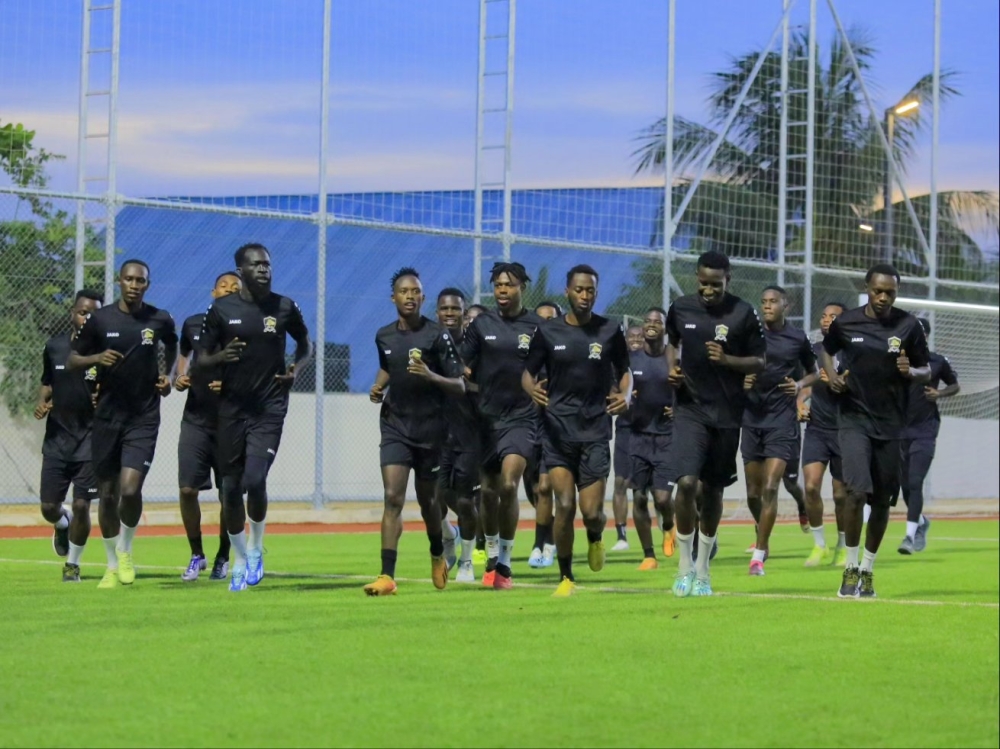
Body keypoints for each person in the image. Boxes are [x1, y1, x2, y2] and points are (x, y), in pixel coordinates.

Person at [197, 243, 312, 593]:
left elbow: (305, 343)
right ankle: (240, 558)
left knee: (254, 479)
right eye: (256, 264)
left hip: (269, 408)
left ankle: (257, 546)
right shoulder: (220, 309)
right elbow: (201, 357)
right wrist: (219, 357)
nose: (264, 269)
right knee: (230, 489)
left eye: (267, 264)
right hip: (231, 409)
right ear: (240, 270)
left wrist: (297, 368)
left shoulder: (284, 306)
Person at [822, 263, 930, 598]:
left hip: (891, 424)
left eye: (890, 292)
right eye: (877, 291)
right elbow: (826, 350)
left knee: (882, 501)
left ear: (896, 292)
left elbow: (926, 369)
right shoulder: (847, 321)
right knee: (856, 492)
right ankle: (850, 568)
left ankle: (868, 569)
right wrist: (834, 376)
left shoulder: (909, 326)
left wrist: (911, 370)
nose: (883, 297)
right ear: (867, 288)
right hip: (853, 418)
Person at [523, 264, 631, 597]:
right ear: (567, 291)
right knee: (565, 504)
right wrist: (532, 390)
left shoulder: (610, 330)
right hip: (557, 432)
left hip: (595, 431)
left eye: (590, 290)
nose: (585, 296)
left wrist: (625, 396)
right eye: (579, 290)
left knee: (592, 513)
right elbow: (527, 373)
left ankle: (596, 536)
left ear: (596, 293)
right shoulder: (549, 331)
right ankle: (566, 577)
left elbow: (626, 371)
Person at [69, 260, 177, 589]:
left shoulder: (159, 318)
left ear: (148, 284)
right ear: (119, 281)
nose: (134, 284)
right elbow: (73, 359)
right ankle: (111, 565)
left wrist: (167, 375)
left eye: (140, 280)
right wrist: (96, 359)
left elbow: (172, 344)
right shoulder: (101, 320)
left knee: (129, 490)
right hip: (106, 417)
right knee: (107, 493)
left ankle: (126, 549)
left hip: (143, 416)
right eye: (129, 279)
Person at [665, 251, 765, 597]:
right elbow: (672, 344)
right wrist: (672, 369)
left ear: (728, 280)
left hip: (727, 414)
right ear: (697, 279)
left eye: (716, 285)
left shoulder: (743, 312)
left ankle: (704, 569)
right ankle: (684, 566)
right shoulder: (680, 308)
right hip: (690, 409)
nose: (709, 290)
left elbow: (760, 361)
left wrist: (728, 359)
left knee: (712, 491)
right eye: (703, 283)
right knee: (687, 483)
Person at [365, 267, 465, 596]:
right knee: (393, 497)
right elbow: (387, 365)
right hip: (395, 425)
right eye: (403, 291)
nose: (410, 296)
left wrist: (430, 375)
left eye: (415, 291)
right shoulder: (384, 335)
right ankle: (386, 575)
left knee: (429, 505)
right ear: (393, 297)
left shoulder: (437, 336)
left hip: (432, 431)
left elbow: (459, 384)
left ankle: (437, 552)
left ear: (423, 298)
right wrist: (379, 386)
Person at [459, 262, 543, 589]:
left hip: (522, 418)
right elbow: (462, 364)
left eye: (509, 284)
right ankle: (492, 551)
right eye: (497, 285)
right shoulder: (481, 325)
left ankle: (505, 563)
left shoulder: (538, 326)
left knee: (509, 485)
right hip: (486, 419)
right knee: (489, 492)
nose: (503, 291)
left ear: (522, 286)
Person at [741, 286, 818, 575]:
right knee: (752, 493)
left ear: (786, 305)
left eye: (773, 301)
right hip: (751, 418)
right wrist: (742, 382)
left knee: (772, 487)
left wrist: (799, 385)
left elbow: (814, 372)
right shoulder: (750, 334)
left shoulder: (797, 338)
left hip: (781, 421)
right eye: (764, 301)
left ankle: (759, 555)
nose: (767, 306)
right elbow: (733, 368)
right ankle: (762, 531)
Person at [174, 271, 242, 582]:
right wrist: (181, 375)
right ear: (213, 292)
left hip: (231, 422)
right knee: (188, 489)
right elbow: (184, 352)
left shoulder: (247, 329)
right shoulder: (192, 323)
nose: (229, 290)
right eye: (224, 286)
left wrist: (231, 385)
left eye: (236, 288)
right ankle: (196, 554)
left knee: (229, 494)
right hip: (196, 420)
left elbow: (259, 371)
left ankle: (223, 555)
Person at [35, 289, 103, 582]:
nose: (87, 317)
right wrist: (42, 402)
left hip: (90, 441)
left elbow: (114, 389)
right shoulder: (54, 347)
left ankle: (72, 565)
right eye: (82, 311)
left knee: (82, 504)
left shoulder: (105, 351)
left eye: (93, 313)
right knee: (49, 507)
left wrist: (103, 398)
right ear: (72, 314)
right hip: (57, 440)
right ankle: (62, 524)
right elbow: (47, 383)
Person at [898, 317, 960, 554]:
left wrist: (940, 393)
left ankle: (909, 538)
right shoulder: (896, 362)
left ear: (925, 336)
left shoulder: (937, 361)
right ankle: (922, 522)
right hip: (898, 431)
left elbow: (955, 385)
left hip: (925, 430)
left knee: (915, 482)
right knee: (904, 486)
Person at [434, 288, 481, 583]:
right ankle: (449, 536)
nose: (450, 313)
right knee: (434, 496)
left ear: (464, 313)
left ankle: (467, 561)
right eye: (445, 309)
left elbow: (483, 385)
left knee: (465, 500)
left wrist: (465, 381)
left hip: (469, 431)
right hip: (436, 432)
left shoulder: (474, 347)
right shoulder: (430, 342)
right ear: (437, 311)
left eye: (456, 309)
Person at [797, 302, 849, 566]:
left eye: (833, 316)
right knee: (810, 487)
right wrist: (800, 404)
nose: (827, 319)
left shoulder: (854, 351)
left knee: (841, 495)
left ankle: (842, 545)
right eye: (824, 315)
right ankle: (820, 546)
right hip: (817, 428)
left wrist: (840, 384)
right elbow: (804, 386)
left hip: (845, 430)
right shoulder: (815, 352)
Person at [627, 307, 676, 570]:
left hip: (667, 438)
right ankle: (648, 555)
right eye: (647, 321)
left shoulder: (673, 359)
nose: (651, 324)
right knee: (638, 498)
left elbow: (689, 388)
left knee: (663, 499)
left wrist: (678, 407)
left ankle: (669, 526)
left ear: (665, 328)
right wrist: (624, 397)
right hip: (637, 436)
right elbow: (616, 386)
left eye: (657, 321)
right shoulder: (631, 359)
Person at [525, 301, 562, 568]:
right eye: (540, 319)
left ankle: (542, 544)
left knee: (546, 487)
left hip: (555, 428)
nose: (545, 323)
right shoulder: (524, 355)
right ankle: (549, 537)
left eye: (551, 319)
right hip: (526, 427)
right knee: (533, 490)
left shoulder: (564, 352)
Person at [610, 325, 646, 552]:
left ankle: (667, 526)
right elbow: (612, 391)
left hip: (651, 431)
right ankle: (621, 535)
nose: (635, 339)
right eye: (631, 336)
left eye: (639, 336)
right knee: (621, 482)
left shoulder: (656, 360)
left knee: (647, 490)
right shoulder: (618, 365)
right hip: (625, 429)